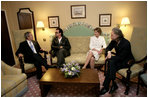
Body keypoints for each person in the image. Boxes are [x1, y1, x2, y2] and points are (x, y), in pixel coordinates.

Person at [100, 27, 135, 95]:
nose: (111, 36)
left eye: (112, 35)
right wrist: (109, 52)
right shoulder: (114, 41)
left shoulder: (126, 43)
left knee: (110, 63)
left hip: (127, 61)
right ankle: (112, 84)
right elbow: (107, 48)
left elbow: (121, 57)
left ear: (117, 35)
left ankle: (107, 86)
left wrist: (110, 57)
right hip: (119, 59)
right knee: (111, 64)